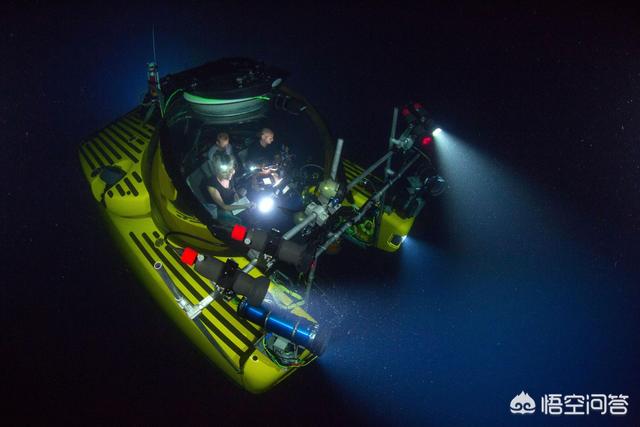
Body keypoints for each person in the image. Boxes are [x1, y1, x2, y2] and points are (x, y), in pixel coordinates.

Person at [204, 153, 252, 224]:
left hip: (232, 202)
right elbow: (224, 207)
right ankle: (237, 234)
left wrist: (235, 195)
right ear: (217, 171)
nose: (230, 173)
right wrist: (244, 206)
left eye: (231, 169)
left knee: (248, 215)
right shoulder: (212, 186)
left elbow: (232, 189)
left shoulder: (229, 176)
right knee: (239, 221)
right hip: (223, 209)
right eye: (225, 172)